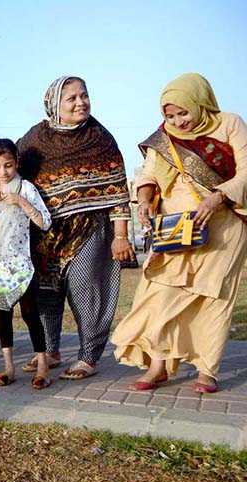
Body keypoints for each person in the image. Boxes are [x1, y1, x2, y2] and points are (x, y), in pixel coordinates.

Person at [112, 73, 247, 394]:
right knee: (158, 295)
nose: (178, 121)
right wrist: (144, 200)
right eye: (170, 116)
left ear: (199, 103)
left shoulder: (229, 123)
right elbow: (148, 175)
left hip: (223, 226)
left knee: (214, 299)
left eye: (183, 113)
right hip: (175, 229)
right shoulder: (164, 136)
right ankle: (157, 365)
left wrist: (220, 195)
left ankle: (207, 370)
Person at [17, 76, 134, 380]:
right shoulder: (33, 141)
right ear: (54, 104)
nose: (81, 102)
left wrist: (120, 236)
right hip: (44, 232)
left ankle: (88, 356)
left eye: (84, 95)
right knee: (45, 294)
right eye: (72, 98)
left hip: (89, 229)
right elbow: (12, 176)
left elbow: (118, 189)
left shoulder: (100, 139)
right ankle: (50, 350)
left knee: (86, 290)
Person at [0, 139, 53, 389]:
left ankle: (43, 365)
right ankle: (9, 367)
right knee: (2, 313)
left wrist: (21, 202)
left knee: (29, 313)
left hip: (20, 261)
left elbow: (44, 222)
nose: (3, 172)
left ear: (16, 162)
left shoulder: (26, 188)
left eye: (8, 165)